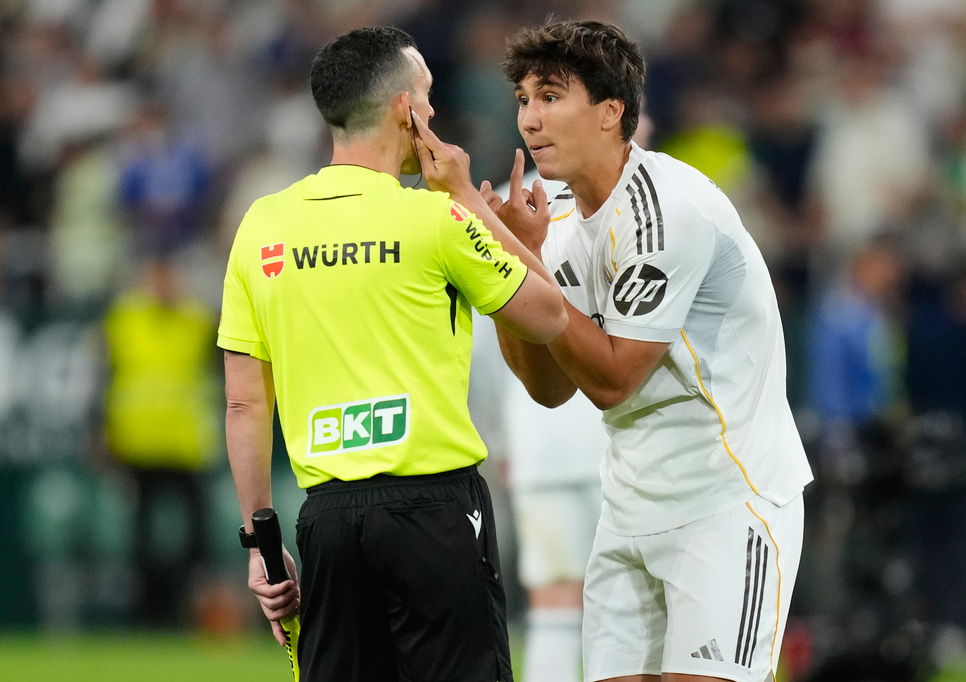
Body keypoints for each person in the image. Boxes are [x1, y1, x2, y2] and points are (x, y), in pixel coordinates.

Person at [218, 26, 567, 682]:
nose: (433, 113)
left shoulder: (260, 225)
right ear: (405, 109)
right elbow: (549, 317)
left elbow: (244, 401)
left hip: (326, 521)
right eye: (427, 97)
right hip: (435, 511)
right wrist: (470, 200)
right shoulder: (436, 218)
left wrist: (264, 547)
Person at [482, 20, 814, 682]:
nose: (530, 118)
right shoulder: (564, 221)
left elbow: (611, 380)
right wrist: (514, 266)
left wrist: (524, 268)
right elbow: (549, 387)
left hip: (726, 506)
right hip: (629, 509)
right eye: (523, 99)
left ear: (612, 113)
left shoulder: (666, 211)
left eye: (550, 96)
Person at [477, 107, 653, 682]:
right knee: (632, 603)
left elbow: (481, 339)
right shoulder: (647, 208)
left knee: (556, 603)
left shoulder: (499, 207)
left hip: (542, 441)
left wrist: (495, 433)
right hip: (619, 437)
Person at [102, 257, 219, 626]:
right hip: (140, 443)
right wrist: (103, 432)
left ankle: (188, 608)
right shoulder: (124, 321)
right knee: (141, 539)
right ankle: (147, 614)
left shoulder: (198, 320)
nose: (164, 285)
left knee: (197, 538)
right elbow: (105, 376)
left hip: (186, 444)